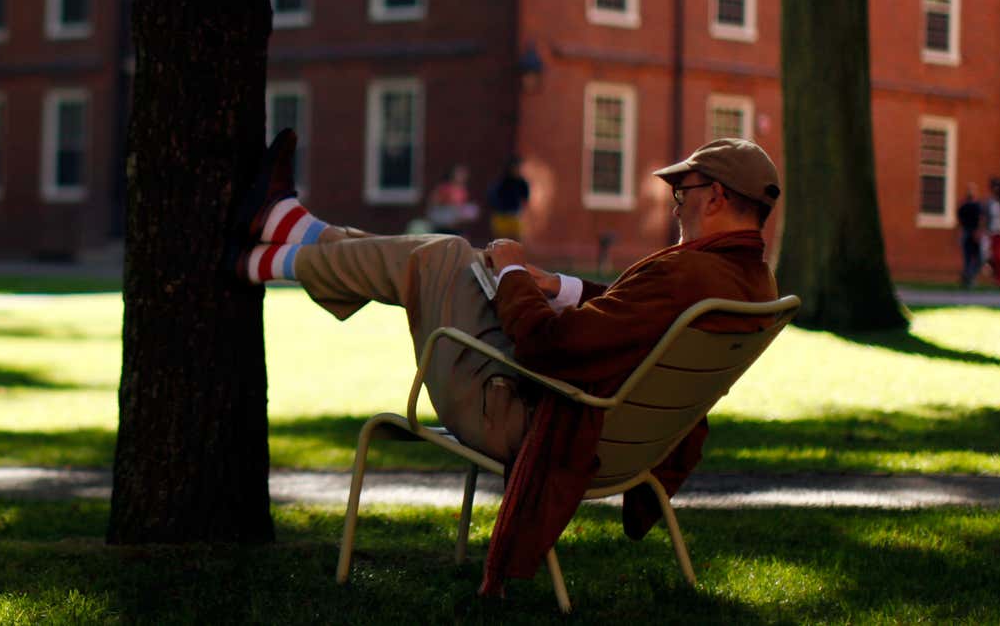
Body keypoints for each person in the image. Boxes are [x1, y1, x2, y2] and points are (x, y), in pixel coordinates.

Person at [228, 132, 780, 596]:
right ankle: (284, 243)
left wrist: (515, 274)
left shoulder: (687, 274)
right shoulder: (747, 283)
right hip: (605, 438)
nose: (675, 204)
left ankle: (275, 250)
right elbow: (633, 316)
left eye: (682, 192)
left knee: (443, 255)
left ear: (715, 198)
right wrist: (553, 285)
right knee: (452, 260)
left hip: (532, 425)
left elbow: (550, 346)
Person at [425, 164, 479, 235]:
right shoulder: (445, 188)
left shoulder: (463, 190)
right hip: (443, 219)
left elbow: (461, 206)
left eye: (464, 174)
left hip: (456, 222)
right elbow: (434, 203)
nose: (463, 177)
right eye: (460, 174)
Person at [485, 157, 531, 240]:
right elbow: (492, 197)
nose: (518, 170)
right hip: (501, 216)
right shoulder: (501, 183)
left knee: (516, 242)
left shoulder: (522, 183)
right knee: (501, 242)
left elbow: (526, 198)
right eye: (516, 167)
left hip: (515, 216)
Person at [955, 183, 985, 288]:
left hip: (975, 233)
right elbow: (959, 221)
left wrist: (979, 232)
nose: (970, 192)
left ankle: (969, 276)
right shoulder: (963, 206)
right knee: (967, 257)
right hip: (966, 232)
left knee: (980, 258)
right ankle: (968, 279)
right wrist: (959, 233)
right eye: (969, 190)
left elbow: (981, 219)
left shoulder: (978, 205)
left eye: (972, 190)